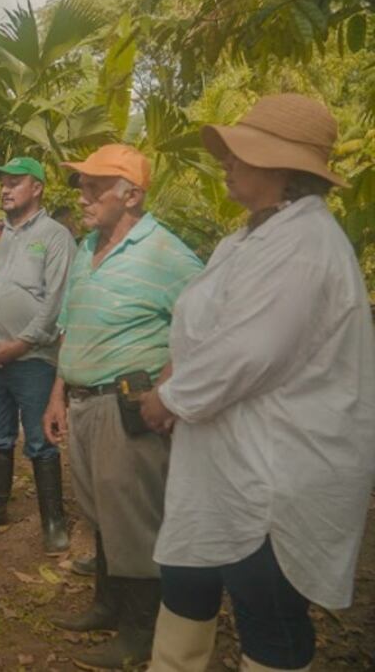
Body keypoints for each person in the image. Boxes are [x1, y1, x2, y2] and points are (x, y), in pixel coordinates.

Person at [139, 95, 375, 672]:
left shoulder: (304, 245)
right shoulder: (245, 240)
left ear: (279, 167)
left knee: (265, 606)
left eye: (240, 153)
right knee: (186, 578)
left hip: (277, 466)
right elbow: (208, 331)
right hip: (224, 458)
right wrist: (175, 372)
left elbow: (250, 350)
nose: (227, 162)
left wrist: (168, 398)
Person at [41, 144, 204, 669]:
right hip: (86, 403)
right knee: (102, 515)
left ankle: (140, 634)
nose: (83, 197)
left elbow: (205, 328)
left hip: (127, 403)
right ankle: (107, 606)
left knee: (134, 519)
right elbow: (72, 329)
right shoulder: (88, 247)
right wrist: (58, 394)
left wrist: (167, 390)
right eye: (81, 185)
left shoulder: (168, 254)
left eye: (95, 187)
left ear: (131, 195)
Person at [0, 157, 75, 553]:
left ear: (37, 187)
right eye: (2, 183)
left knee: (41, 439)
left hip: (33, 358)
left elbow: (56, 300)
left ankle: (54, 522)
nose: (5, 189)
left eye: (15, 182)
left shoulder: (56, 236)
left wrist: (21, 343)